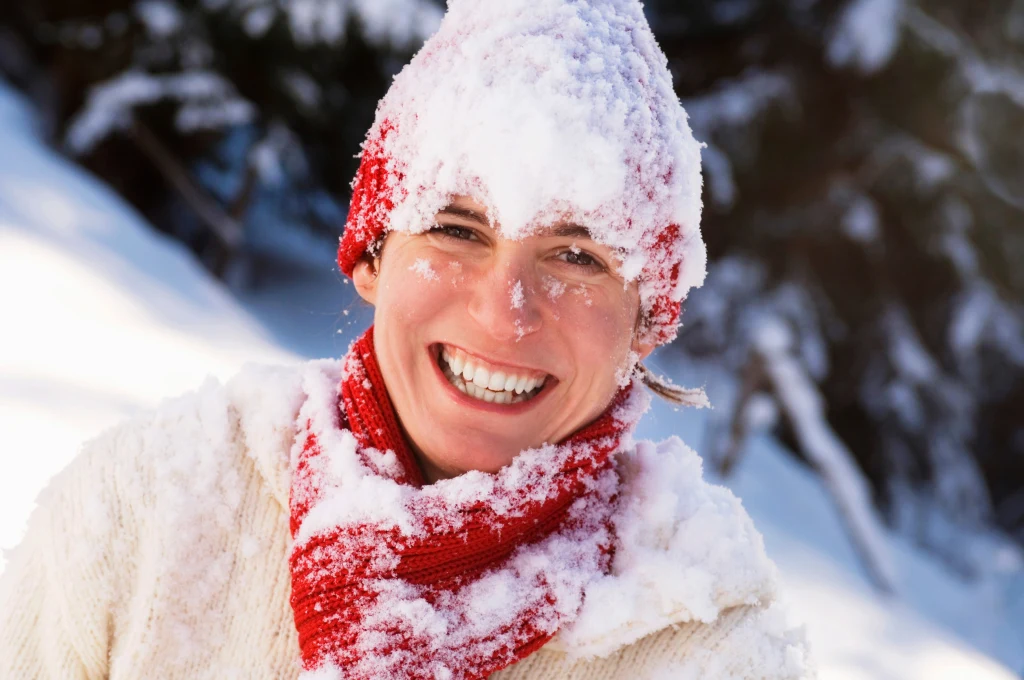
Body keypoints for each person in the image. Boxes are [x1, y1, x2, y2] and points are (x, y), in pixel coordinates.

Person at [1, 0, 815, 678]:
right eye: (458, 230)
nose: (506, 312)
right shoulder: (147, 514)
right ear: (372, 254)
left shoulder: (708, 651)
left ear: (648, 318)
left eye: (576, 255)